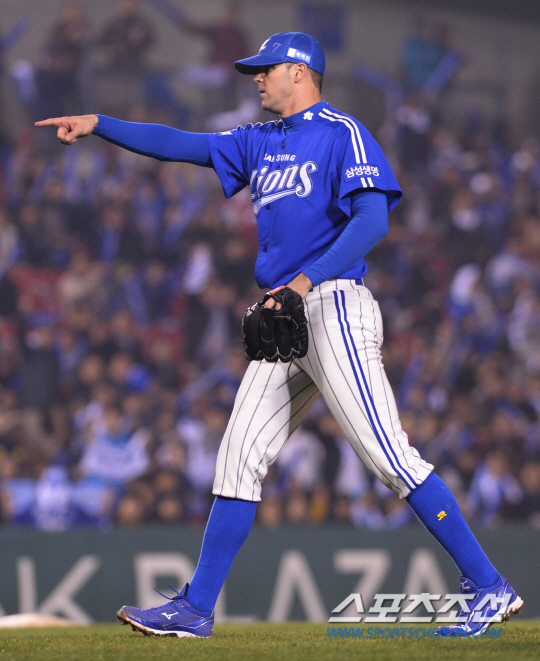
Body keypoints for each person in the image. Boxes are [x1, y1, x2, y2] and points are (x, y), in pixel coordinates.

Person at [36, 31, 522, 639]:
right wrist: (100, 124)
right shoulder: (259, 140)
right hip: (286, 316)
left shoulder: (341, 132)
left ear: (300, 71)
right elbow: (184, 144)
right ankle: (196, 608)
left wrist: (304, 280)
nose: (258, 77)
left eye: (267, 68)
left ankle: (489, 585)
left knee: (389, 457)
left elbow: (372, 218)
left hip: (334, 303)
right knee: (238, 457)